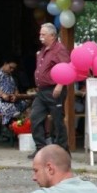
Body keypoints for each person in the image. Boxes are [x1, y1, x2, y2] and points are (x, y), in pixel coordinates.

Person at [30, 22, 70, 154]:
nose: (40, 36)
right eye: (40, 34)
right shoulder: (43, 50)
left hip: (54, 89)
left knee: (58, 120)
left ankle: (62, 149)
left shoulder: (59, 49)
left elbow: (66, 68)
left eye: (43, 34)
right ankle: (40, 148)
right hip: (42, 91)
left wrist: (60, 85)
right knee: (35, 117)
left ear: (52, 35)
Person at [0, 59, 28, 135]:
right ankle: (12, 129)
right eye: (10, 67)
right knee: (17, 113)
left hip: (12, 102)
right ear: (5, 64)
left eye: (14, 69)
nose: (12, 70)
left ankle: (18, 128)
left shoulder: (10, 75)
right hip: (1, 103)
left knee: (28, 109)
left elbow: (15, 89)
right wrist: (2, 94)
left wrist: (16, 96)